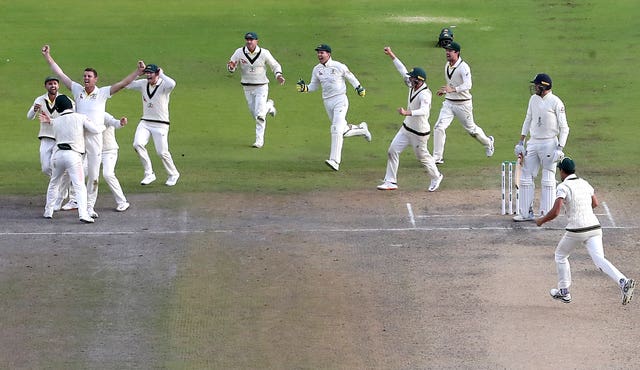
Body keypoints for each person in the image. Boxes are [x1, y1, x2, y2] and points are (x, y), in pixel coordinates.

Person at [41, 44, 145, 218]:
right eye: (84, 76)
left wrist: (138, 72)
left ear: (96, 79)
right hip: (78, 137)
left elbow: (122, 84)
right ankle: (63, 201)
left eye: (89, 76)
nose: (86, 78)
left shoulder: (103, 92)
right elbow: (61, 75)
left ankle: (89, 207)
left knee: (94, 176)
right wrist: (47, 56)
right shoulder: (77, 90)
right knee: (72, 170)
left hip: (96, 138)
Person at [536, 158, 635, 305]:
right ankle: (623, 281)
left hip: (577, 229)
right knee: (600, 260)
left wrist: (541, 220)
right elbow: (595, 203)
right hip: (594, 227)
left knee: (560, 255)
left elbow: (556, 212)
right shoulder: (585, 183)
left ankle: (564, 291)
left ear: (562, 171)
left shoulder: (563, 186)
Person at [296, 43, 372, 171]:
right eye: (318, 52)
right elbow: (314, 86)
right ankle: (362, 129)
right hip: (327, 102)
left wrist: (359, 88)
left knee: (335, 128)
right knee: (341, 130)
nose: (319, 55)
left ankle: (335, 160)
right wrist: (305, 88)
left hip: (340, 100)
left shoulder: (338, 66)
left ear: (328, 54)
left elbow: (350, 77)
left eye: (322, 52)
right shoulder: (317, 69)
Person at [377, 47, 443, 192]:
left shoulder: (425, 94)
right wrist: (391, 54)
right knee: (392, 151)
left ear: (419, 81)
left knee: (423, 158)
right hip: (406, 129)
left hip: (419, 133)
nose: (409, 79)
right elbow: (402, 69)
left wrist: (407, 112)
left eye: (412, 78)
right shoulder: (412, 85)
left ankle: (436, 176)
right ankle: (390, 181)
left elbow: (424, 110)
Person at [513, 73, 570, 221]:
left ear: (544, 86)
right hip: (533, 142)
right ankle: (526, 213)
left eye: (537, 85)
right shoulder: (533, 99)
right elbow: (528, 119)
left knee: (548, 178)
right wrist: (521, 141)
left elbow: (565, 127)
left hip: (549, 143)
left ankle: (546, 213)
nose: (534, 87)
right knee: (526, 176)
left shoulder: (556, 102)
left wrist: (560, 148)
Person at [41, 95, 105, 223]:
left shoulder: (56, 121)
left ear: (58, 108)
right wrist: (103, 126)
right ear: (70, 106)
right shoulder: (80, 117)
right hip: (73, 156)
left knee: (54, 183)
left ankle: (48, 211)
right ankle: (83, 214)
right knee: (79, 185)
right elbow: (95, 130)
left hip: (57, 155)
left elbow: (55, 122)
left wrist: (51, 120)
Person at [432, 41, 494, 164]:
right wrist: (446, 91)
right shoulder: (447, 65)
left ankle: (488, 143)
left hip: (463, 104)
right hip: (449, 103)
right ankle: (437, 157)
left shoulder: (463, 67)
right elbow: (452, 83)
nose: (447, 53)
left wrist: (453, 89)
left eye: (450, 51)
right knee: (439, 127)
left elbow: (468, 84)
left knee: (472, 130)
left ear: (457, 52)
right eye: (446, 51)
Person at [227, 32, 285, 148]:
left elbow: (275, 65)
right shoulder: (239, 52)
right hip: (247, 86)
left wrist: (278, 75)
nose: (249, 42)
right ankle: (269, 106)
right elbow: (231, 65)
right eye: (247, 39)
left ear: (256, 41)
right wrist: (231, 67)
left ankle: (259, 141)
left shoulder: (264, 53)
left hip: (261, 86)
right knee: (255, 114)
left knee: (259, 115)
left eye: (251, 39)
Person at [26, 76, 76, 211]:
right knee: (45, 167)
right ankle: (61, 186)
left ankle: (62, 191)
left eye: (55, 83)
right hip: (45, 137)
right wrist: (34, 110)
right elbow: (29, 117)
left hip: (60, 138)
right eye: (50, 84)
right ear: (45, 86)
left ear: (58, 86)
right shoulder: (39, 100)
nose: (52, 86)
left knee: (58, 167)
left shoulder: (65, 100)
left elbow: (73, 114)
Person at [126, 64, 180, 186]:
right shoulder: (143, 83)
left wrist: (162, 74)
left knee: (162, 152)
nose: (148, 75)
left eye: (151, 73)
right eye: (147, 73)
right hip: (145, 122)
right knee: (137, 144)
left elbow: (173, 84)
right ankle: (149, 173)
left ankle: (173, 174)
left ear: (156, 73)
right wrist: (137, 73)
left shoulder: (164, 85)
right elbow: (128, 84)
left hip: (161, 124)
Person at [102, 113, 130, 211]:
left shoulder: (104, 115)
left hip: (109, 150)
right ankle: (74, 200)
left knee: (108, 174)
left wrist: (121, 123)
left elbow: (115, 122)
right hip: (92, 152)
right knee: (78, 173)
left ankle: (122, 202)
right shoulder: (84, 114)